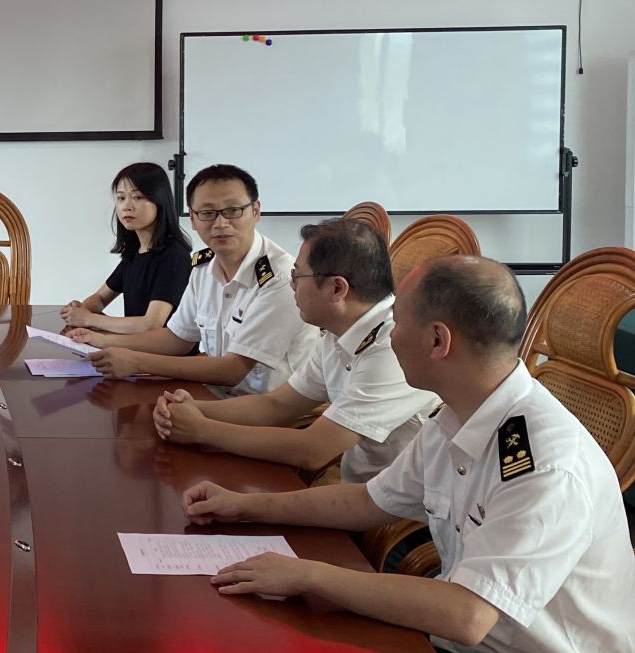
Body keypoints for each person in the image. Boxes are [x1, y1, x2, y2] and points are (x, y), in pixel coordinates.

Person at [184, 257, 635, 653]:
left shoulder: (543, 462)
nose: (390, 334)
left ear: (438, 340)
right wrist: (243, 508)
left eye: (397, 320)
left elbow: (467, 614)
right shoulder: (461, 414)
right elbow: (367, 501)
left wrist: (309, 575)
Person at [152, 217, 437, 482]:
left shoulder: (393, 347)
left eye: (297, 276)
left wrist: (201, 430)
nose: (291, 285)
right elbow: (276, 406)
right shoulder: (338, 331)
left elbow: (313, 450)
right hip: (365, 490)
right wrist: (190, 409)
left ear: (337, 289)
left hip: (403, 512)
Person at [75, 164, 314, 394]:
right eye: (207, 213)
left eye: (233, 211)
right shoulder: (203, 269)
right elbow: (177, 339)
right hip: (216, 393)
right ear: (192, 218)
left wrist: (137, 361)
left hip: (271, 410)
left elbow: (233, 370)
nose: (221, 223)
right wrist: (101, 341)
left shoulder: (280, 277)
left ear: (255, 211)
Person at [60, 161, 191, 335]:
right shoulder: (135, 253)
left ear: (159, 201)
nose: (126, 206)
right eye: (121, 198)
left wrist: (89, 319)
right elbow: (101, 298)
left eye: (138, 197)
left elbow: (151, 324)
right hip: (134, 345)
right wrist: (80, 310)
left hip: (160, 351)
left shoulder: (174, 257)